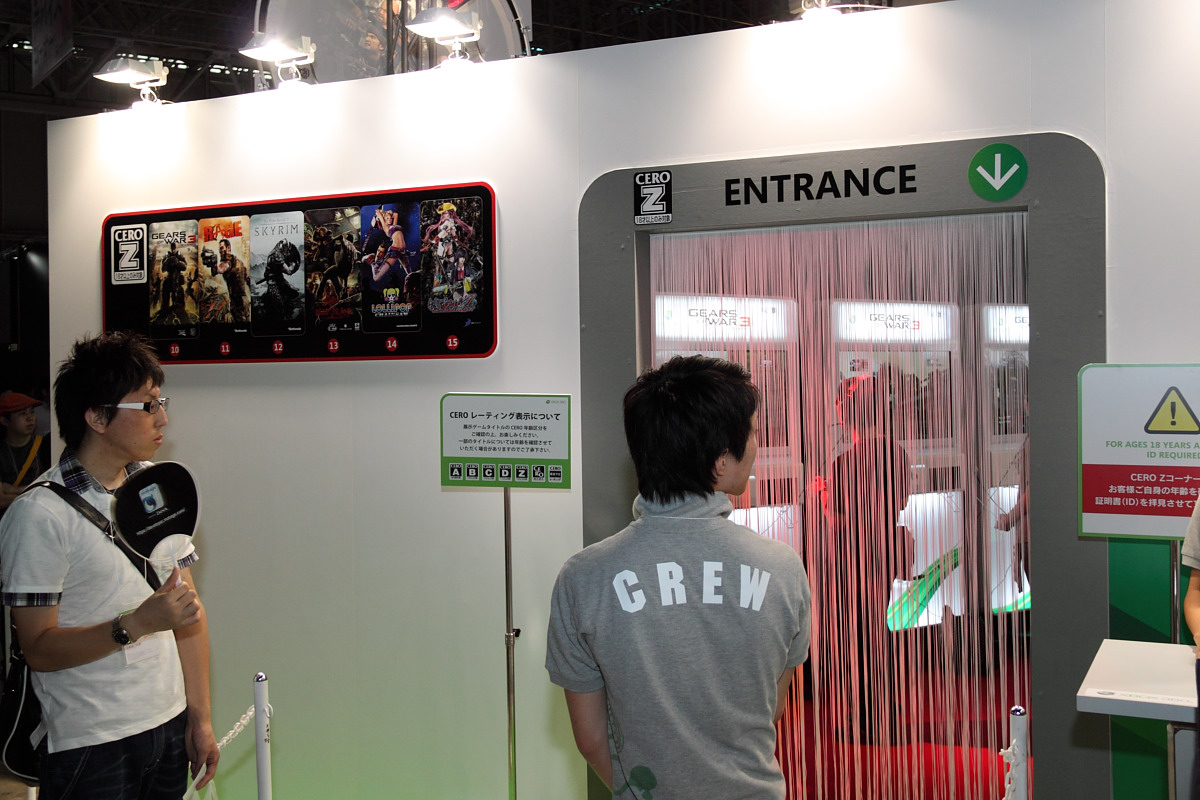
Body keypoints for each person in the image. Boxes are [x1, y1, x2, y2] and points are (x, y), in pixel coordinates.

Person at [545, 355, 811, 798]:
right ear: (721, 461)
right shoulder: (782, 568)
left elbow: (590, 739)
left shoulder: (583, 578)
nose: (757, 446)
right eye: (753, 433)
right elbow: (772, 707)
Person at [0, 331, 219, 798]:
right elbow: (38, 648)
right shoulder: (39, 513)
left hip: (169, 724)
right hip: (90, 742)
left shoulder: (157, 487)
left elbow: (189, 613)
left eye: (161, 402)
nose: (163, 417)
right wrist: (136, 624)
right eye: (148, 405)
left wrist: (199, 718)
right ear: (97, 417)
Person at [0, 391, 47, 516]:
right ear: (4, 421)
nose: (30, 418)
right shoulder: (2, 451)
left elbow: (51, 490)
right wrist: (36, 491)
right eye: (22, 414)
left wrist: (11, 489)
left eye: (32, 412)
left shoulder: (45, 446)